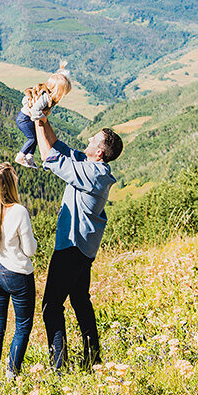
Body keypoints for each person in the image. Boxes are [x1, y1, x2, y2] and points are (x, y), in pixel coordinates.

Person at [34, 114, 122, 370]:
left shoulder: (92, 174)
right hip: (84, 249)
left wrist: (38, 122)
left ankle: (59, 367)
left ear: (99, 152)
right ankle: (93, 358)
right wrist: (45, 120)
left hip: (71, 248)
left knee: (51, 306)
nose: (89, 138)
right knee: (80, 300)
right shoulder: (92, 166)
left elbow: (49, 157)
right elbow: (59, 147)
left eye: (94, 138)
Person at [0, 162, 38, 379]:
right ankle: (12, 372)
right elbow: (30, 251)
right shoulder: (19, 211)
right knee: (22, 325)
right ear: (11, 186)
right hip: (15, 273)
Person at [15, 63, 72, 169]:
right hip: (24, 119)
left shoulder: (42, 92)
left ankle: (29, 157)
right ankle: (21, 156)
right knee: (31, 139)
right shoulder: (46, 98)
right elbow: (35, 112)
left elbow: (25, 100)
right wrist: (43, 118)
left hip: (23, 117)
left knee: (34, 138)